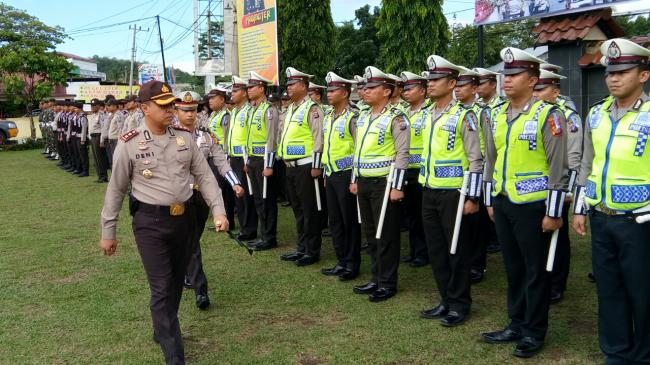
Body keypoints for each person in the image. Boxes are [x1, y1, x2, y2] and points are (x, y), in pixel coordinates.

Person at [100, 80, 229, 365]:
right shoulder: (129, 143)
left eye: (172, 104)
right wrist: (108, 231)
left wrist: (218, 210)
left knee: (173, 284)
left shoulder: (184, 137)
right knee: (161, 286)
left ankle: (163, 328)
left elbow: (205, 176)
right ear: (145, 108)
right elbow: (116, 189)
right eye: (164, 105)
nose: (171, 109)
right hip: (150, 223)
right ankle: (175, 355)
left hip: (184, 220)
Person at [481, 47, 568, 358]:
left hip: (534, 205)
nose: (507, 80)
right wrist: (490, 198)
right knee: (513, 268)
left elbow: (559, 166)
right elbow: (491, 160)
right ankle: (516, 323)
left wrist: (555, 211)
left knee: (535, 271)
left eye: (515, 75)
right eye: (506, 74)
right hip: (504, 202)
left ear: (533, 80)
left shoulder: (547, 114)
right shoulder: (496, 115)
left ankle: (534, 331)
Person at [572, 38, 650, 365]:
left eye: (622, 71)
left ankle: (644, 354)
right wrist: (579, 206)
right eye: (609, 72)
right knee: (609, 288)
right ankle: (616, 351)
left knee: (643, 292)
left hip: (640, 219)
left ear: (643, 75)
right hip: (600, 216)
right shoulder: (596, 114)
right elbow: (587, 163)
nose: (613, 78)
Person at [418, 56, 483, 326]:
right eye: (429, 80)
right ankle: (445, 299)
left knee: (456, 250)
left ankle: (459, 303)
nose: (430, 85)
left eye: (436, 80)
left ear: (452, 83)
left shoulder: (464, 115)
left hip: (454, 193)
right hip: (429, 189)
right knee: (436, 250)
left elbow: (475, 159)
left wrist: (472, 196)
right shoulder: (428, 114)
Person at [173, 90, 244, 310]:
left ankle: (186, 271)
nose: (190, 114)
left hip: (202, 196)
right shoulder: (169, 135)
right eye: (184, 110)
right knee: (191, 241)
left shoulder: (205, 134)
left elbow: (221, 161)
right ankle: (200, 289)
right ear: (176, 111)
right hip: (179, 197)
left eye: (193, 110)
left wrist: (234, 182)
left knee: (192, 238)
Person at [350, 66, 410, 302]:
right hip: (364, 181)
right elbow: (358, 151)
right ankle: (376, 278)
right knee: (370, 231)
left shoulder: (396, 117)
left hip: (384, 182)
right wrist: (355, 178)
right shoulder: (363, 116)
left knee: (385, 234)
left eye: (372, 87)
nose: (366, 91)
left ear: (386, 91)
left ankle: (387, 282)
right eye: (365, 87)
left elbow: (402, 154)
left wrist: (397, 186)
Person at [533, 69, 583, 304]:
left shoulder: (566, 115)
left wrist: (567, 190)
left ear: (556, 91)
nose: (536, 94)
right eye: (534, 89)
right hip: (534, 187)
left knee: (557, 236)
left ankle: (556, 283)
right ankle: (541, 278)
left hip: (558, 186)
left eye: (541, 89)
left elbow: (572, 157)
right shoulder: (530, 113)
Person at [278, 67, 325, 266]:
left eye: (292, 84)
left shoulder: (312, 109)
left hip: (306, 166)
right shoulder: (291, 109)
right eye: (287, 84)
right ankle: (302, 247)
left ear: (304, 86)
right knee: (298, 208)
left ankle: (312, 250)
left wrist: (316, 165)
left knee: (309, 209)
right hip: (290, 166)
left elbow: (318, 138)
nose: (288, 88)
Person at [454, 66, 497, 284]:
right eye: (457, 86)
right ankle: (464, 260)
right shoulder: (456, 112)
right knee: (463, 223)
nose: (458, 90)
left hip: (478, 171)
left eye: (462, 86)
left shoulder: (482, 112)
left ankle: (477, 265)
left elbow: (489, 147)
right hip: (461, 172)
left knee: (476, 223)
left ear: (473, 88)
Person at [319, 71, 362, 281]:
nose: (329, 93)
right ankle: (341, 260)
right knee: (335, 220)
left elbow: (358, 150)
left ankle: (352, 263)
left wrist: (354, 178)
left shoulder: (353, 117)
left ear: (345, 93)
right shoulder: (328, 117)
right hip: (331, 173)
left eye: (333, 90)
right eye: (328, 89)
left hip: (346, 175)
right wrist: (326, 171)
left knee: (349, 221)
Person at [244, 71, 281, 251]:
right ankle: (263, 234)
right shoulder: (253, 109)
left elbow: (271, 139)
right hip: (253, 159)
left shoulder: (268, 110)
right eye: (248, 87)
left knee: (267, 199)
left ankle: (269, 237)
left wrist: (269, 164)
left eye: (252, 87)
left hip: (264, 161)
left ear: (261, 88)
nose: (248, 90)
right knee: (258, 199)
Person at [398, 71, 430, 268]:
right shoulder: (403, 113)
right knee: (411, 214)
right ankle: (415, 250)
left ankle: (423, 253)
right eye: (405, 90)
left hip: (422, 170)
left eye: (410, 89)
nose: (406, 93)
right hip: (406, 169)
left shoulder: (429, 111)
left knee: (422, 214)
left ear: (423, 91)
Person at [226, 75, 259, 241]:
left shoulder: (248, 111)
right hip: (234, 156)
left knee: (247, 195)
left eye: (235, 90)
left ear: (244, 93)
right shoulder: (235, 112)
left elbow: (250, 136)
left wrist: (247, 160)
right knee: (237, 194)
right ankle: (244, 227)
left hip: (244, 157)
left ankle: (250, 229)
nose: (232, 93)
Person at [206, 87, 237, 230]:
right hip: (212, 157)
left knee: (225, 191)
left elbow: (227, 139)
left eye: (213, 98)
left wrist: (226, 158)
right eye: (209, 98)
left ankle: (228, 220)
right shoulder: (213, 115)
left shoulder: (226, 116)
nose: (210, 100)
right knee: (217, 189)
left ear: (222, 99)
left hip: (222, 157)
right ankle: (221, 218)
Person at [88, 98, 109, 183]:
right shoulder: (92, 115)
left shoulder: (101, 115)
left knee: (100, 158)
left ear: (98, 106)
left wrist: (102, 140)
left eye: (94, 106)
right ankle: (100, 175)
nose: (92, 107)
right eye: (92, 106)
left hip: (98, 136)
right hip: (93, 137)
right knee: (96, 158)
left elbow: (104, 128)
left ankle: (103, 176)